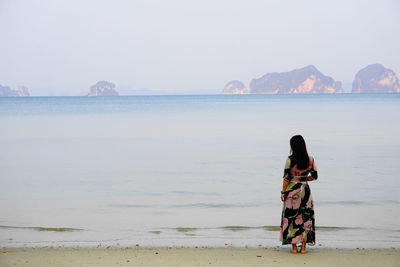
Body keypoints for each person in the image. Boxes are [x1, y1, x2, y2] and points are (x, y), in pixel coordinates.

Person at [279, 135, 318, 254]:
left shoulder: (290, 160)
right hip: (305, 190)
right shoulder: (310, 159)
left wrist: (283, 192)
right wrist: (303, 178)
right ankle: (304, 248)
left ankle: (294, 248)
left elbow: (286, 178)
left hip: (292, 190)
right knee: (305, 217)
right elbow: (315, 176)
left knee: (292, 217)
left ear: (293, 146)